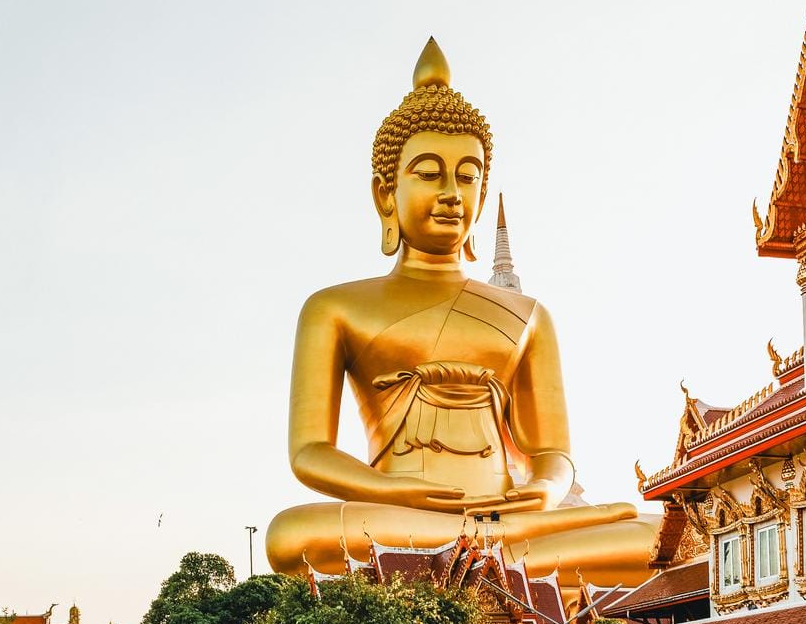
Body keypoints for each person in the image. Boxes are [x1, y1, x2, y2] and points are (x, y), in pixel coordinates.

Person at [265, 39, 657, 588]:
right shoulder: (333, 307)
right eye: (429, 173)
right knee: (290, 537)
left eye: (468, 175)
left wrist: (542, 491)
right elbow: (310, 452)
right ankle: (499, 561)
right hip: (403, 517)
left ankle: (486, 555)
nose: (452, 193)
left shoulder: (528, 314)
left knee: (652, 533)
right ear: (385, 194)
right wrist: (391, 491)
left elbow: (554, 453)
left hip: (507, 514)